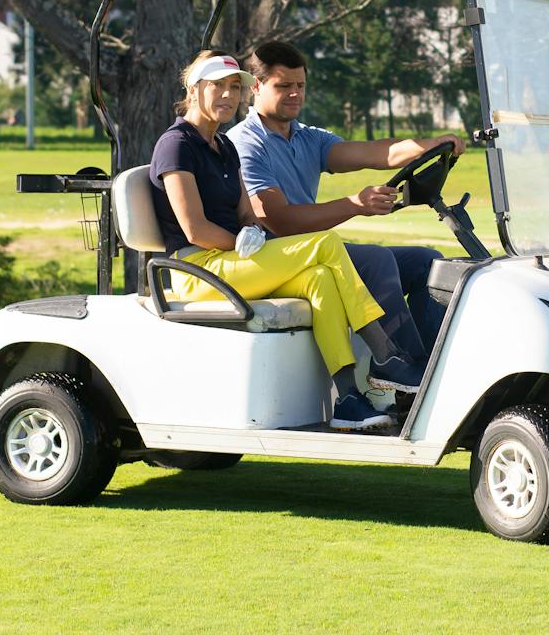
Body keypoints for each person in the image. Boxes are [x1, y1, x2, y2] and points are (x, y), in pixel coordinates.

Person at [147, 49, 421, 433]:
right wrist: (241, 242)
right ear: (194, 90)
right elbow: (195, 229)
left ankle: (347, 399)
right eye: (217, 87)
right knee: (325, 245)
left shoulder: (224, 147)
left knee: (319, 279)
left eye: (233, 87)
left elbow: (245, 211)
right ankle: (386, 354)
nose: (227, 96)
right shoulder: (176, 145)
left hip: (229, 261)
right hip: (198, 269)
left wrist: (252, 231)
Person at [231, 40, 462, 391]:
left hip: (315, 250)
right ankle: (401, 368)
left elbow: (375, 152)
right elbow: (280, 221)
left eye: (301, 86)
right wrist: (355, 204)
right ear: (257, 86)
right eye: (283, 86)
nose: (295, 94)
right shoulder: (246, 144)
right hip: (280, 257)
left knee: (426, 261)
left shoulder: (307, 138)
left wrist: (429, 145)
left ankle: (433, 365)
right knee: (377, 259)